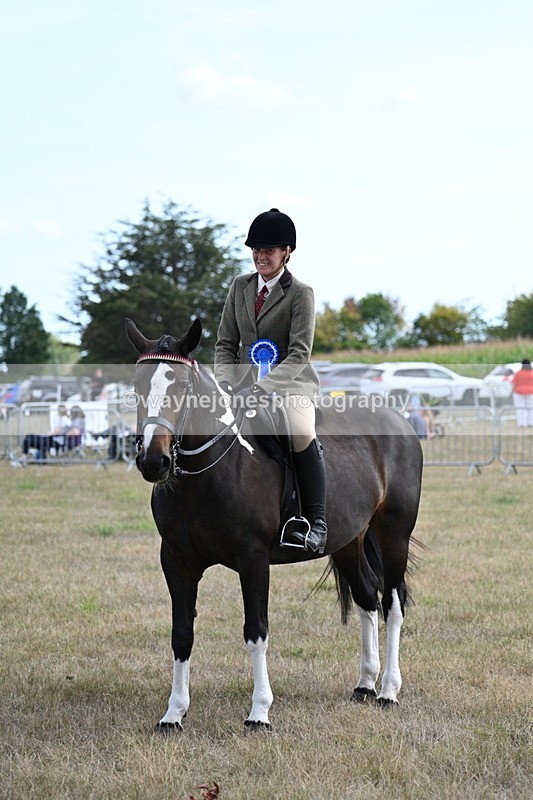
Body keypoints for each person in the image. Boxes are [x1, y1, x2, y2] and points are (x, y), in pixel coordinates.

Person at [214, 208, 327, 553]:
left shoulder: (300, 294)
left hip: (291, 384)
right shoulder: (240, 286)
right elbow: (225, 344)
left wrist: (261, 388)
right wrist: (225, 381)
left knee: (299, 430)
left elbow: (298, 353)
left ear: (286, 253)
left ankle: (316, 521)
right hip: (241, 385)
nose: (261, 257)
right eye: (256, 250)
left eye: (269, 251)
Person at [21, 404, 85, 460]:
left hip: (57, 441)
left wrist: (52, 434)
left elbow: (74, 432)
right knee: (30, 437)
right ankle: (29, 456)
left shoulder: (68, 420)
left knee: (30, 438)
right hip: (55, 439)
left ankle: (25, 457)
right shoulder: (72, 421)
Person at [511, 358, 533, 427]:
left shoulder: (518, 373)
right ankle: (531, 423)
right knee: (531, 409)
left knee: (520, 409)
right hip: (531, 392)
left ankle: (521, 423)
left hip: (519, 392)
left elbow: (513, 383)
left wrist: (513, 391)